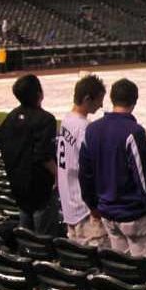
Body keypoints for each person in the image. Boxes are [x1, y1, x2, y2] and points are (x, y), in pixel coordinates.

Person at [79, 78, 146, 260]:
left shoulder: (92, 130)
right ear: (134, 101)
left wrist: (92, 205)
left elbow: (85, 173)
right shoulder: (133, 131)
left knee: (124, 270)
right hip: (134, 217)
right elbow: (144, 178)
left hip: (108, 215)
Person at [0, 74, 59, 235]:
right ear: (39, 94)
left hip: (18, 183)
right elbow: (43, 156)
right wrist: (58, 175)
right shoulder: (46, 120)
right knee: (43, 233)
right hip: (40, 186)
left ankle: (25, 253)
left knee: (25, 227)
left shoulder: (11, 117)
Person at [57, 74, 107, 247]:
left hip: (69, 207)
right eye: (99, 100)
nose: (101, 105)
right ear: (87, 98)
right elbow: (93, 169)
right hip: (85, 211)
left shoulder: (66, 120)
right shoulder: (84, 128)